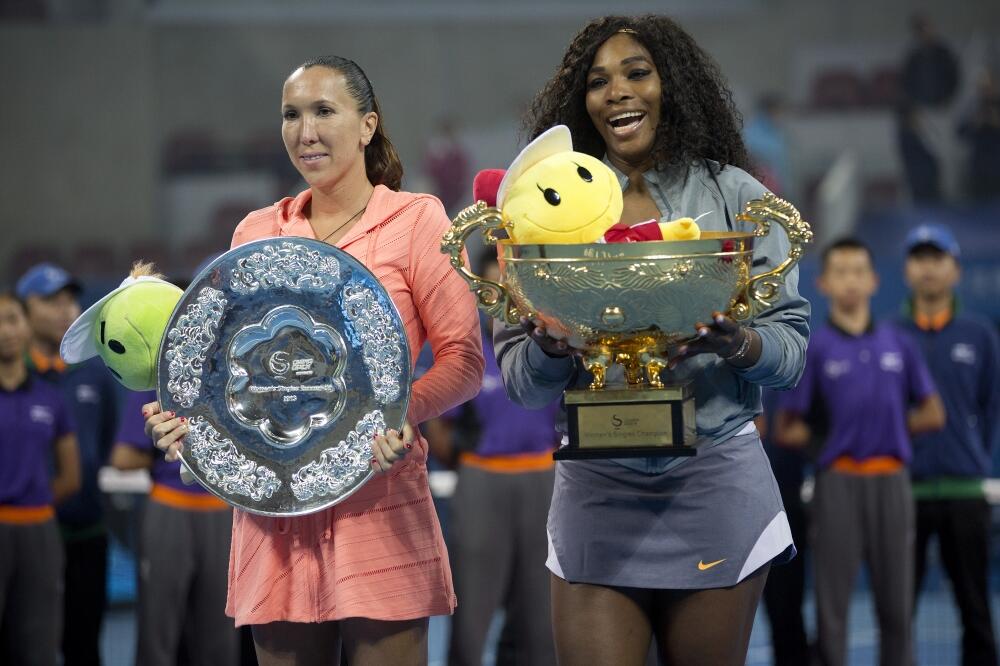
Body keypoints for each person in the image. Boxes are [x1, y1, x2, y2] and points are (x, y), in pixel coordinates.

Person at [142, 55, 484, 666]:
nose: (306, 131)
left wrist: (404, 414)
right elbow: (227, 380)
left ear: (367, 125)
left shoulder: (416, 220)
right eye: (292, 115)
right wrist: (185, 423)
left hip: (381, 506)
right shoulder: (253, 233)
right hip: (271, 523)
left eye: (325, 111)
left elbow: (462, 360)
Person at [494, 16, 810, 665]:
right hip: (596, 489)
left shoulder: (736, 197)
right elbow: (522, 385)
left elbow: (791, 354)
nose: (617, 93)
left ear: (672, 85)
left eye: (637, 72)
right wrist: (553, 346)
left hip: (715, 480)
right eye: (598, 82)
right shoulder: (545, 207)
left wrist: (734, 342)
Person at [775, 238, 945, 666]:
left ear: (874, 280)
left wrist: (888, 430)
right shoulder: (814, 349)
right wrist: (827, 444)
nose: (850, 280)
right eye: (841, 271)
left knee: (897, 607)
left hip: (892, 482)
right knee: (832, 606)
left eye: (858, 271)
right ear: (824, 282)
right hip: (838, 484)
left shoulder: (898, 343)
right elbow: (786, 427)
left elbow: (933, 412)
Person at [423, 251, 559, 666]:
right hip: (483, 480)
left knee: (542, 617)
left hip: (546, 478)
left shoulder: (555, 340)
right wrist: (464, 460)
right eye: (491, 287)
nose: (502, 298)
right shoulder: (464, 346)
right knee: (472, 612)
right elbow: (437, 420)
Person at [896, 224, 1000, 666]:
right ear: (906, 271)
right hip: (902, 495)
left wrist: (973, 458)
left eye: (937, 258)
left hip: (964, 494)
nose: (928, 268)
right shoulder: (889, 337)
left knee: (975, 609)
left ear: (955, 269)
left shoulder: (979, 336)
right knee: (898, 614)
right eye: (919, 258)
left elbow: (991, 407)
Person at [16, 262, 119, 666]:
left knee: (84, 645)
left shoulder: (94, 373)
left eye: (70, 299)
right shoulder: (12, 375)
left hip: (87, 533)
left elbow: (105, 443)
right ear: (23, 311)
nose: (65, 310)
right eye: (51, 301)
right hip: (22, 532)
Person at [111, 389, 239, 666]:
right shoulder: (156, 383)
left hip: (223, 510)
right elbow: (122, 458)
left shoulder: (232, 380)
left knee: (221, 635)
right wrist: (170, 453)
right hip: (171, 504)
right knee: (158, 629)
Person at [0, 290, 80, 666]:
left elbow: (70, 476)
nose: (5, 331)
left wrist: (33, 501)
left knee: (39, 643)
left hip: (39, 531)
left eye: (12, 320)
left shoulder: (51, 399)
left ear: (26, 326)